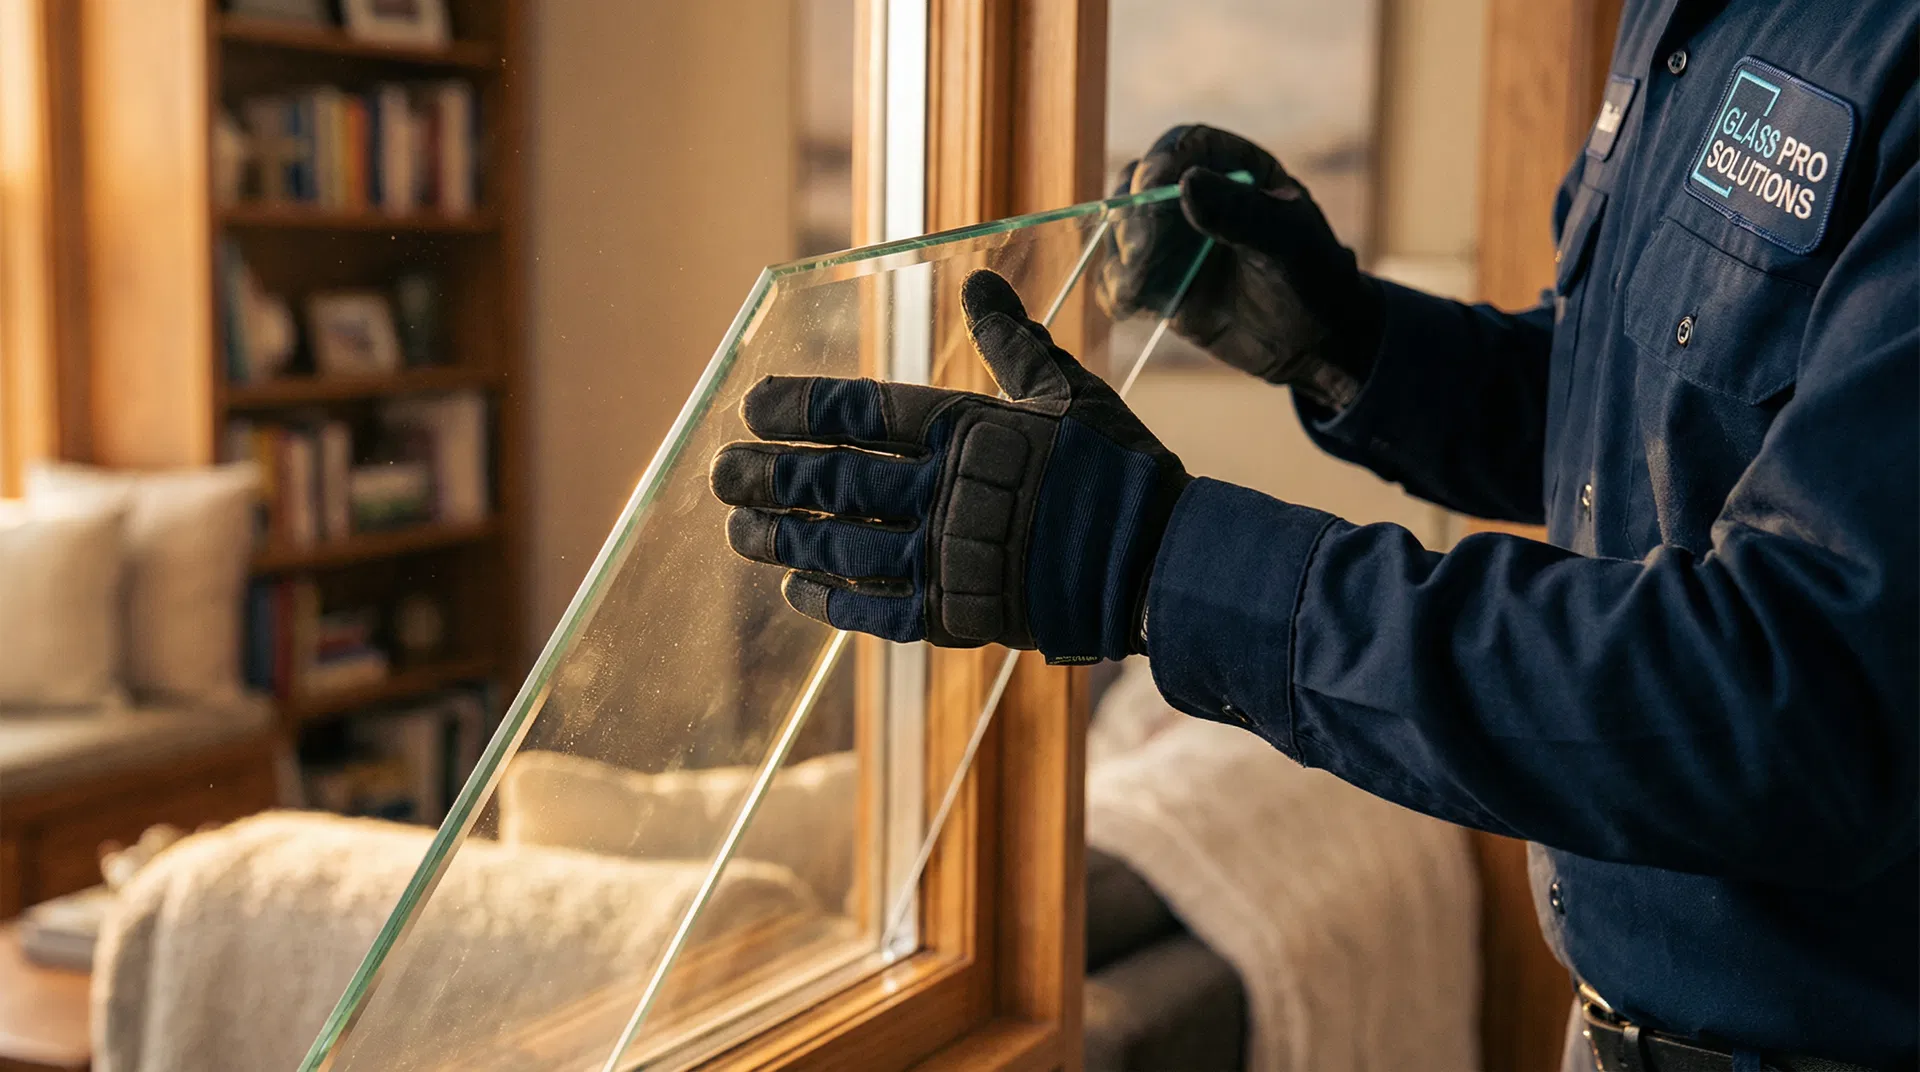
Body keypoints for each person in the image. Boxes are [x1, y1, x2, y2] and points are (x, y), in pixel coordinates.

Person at [709, 1, 1917, 1067]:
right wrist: (1349, 341)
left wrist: (1154, 563)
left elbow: (1801, 697)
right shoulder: (1682, 20)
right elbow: (1629, 415)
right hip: (1603, 1025)